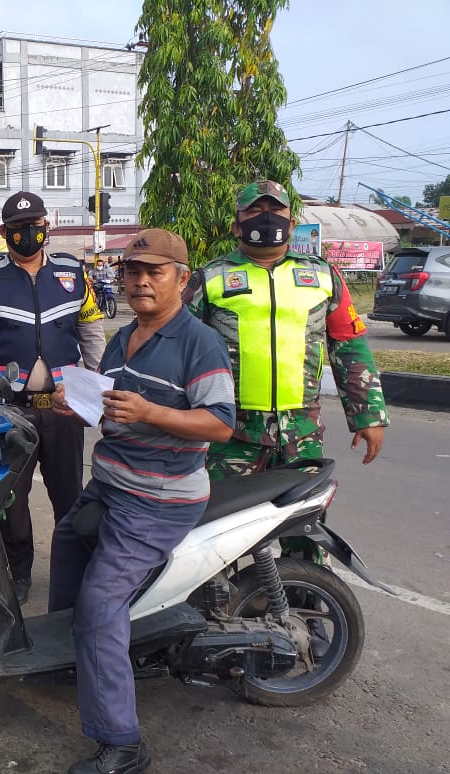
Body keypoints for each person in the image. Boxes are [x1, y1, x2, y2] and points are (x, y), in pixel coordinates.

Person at [49, 228, 236, 774]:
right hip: (111, 482)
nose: (141, 281)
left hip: (156, 500)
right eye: (133, 272)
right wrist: (78, 405)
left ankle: (123, 742)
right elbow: (111, 408)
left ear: (182, 278)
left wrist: (151, 413)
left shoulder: (199, 342)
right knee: (65, 541)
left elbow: (220, 425)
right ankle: (71, 658)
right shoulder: (122, 336)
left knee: (101, 603)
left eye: (155, 271)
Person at [183, 180, 388, 488]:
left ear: (291, 224)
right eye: (255, 210)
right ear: (237, 226)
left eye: (275, 210)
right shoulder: (210, 279)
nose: (267, 217)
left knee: (304, 529)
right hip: (231, 435)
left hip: (302, 434)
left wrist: (368, 415)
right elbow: (182, 350)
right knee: (228, 529)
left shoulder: (323, 276)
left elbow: (349, 346)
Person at [0, 191, 106, 604]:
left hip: (62, 409)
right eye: (18, 228)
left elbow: (91, 334)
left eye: (34, 226)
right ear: (4, 232)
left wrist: (95, 389)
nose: (27, 234)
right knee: (10, 502)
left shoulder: (74, 274)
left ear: (47, 227)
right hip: (6, 411)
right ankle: (18, 574)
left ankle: (73, 574)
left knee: (69, 496)